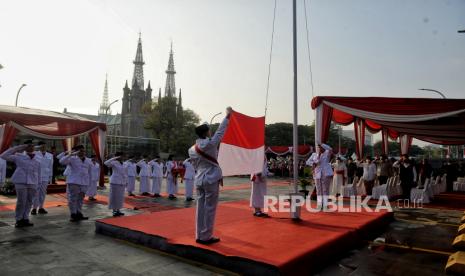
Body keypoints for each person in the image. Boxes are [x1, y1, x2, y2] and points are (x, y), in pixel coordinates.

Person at [188, 107, 231, 244]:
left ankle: (199, 235)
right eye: (208, 130)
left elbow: (195, 165)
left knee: (200, 208)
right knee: (210, 208)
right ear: (206, 132)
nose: (210, 131)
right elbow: (220, 131)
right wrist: (228, 116)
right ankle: (206, 236)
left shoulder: (191, 149)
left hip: (199, 179)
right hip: (210, 179)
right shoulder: (211, 144)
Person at [0, 140, 40, 227]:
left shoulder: (38, 157)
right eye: (28, 145)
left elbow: (39, 172)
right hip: (21, 181)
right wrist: (18, 147)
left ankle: (25, 218)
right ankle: (18, 219)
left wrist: (38, 183)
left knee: (29, 201)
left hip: (33, 182)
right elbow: (3, 156)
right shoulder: (19, 156)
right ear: (25, 146)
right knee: (21, 201)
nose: (31, 147)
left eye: (32, 145)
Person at [59, 145, 92, 222]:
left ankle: (79, 213)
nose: (82, 152)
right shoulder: (72, 159)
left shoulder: (88, 160)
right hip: (74, 181)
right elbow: (61, 161)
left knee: (80, 199)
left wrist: (89, 182)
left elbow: (89, 172)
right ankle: (73, 214)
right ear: (76, 151)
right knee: (73, 198)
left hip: (84, 182)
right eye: (80, 151)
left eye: (83, 151)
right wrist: (71, 154)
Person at [306, 143, 333, 210]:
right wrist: (313, 163)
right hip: (317, 173)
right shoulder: (314, 154)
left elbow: (330, 148)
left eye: (321, 147)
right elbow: (307, 162)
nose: (320, 148)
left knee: (325, 190)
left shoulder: (327, 153)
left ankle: (325, 205)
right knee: (318, 190)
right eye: (318, 147)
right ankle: (319, 205)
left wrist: (322, 144)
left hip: (326, 173)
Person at [31, 141, 53, 215]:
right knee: (35, 192)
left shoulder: (50, 155)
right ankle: (34, 208)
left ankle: (41, 207)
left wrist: (50, 177)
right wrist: (36, 148)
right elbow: (26, 153)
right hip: (36, 176)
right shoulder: (35, 153)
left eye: (45, 146)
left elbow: (50, 167)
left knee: (43, 193)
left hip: (45, 176)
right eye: (42, 146)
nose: (43, 147)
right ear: (39, 147)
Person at [104, 152, 127, 217]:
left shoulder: (124, 163)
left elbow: (125, 173)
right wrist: (115, 158)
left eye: (123, 156)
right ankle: (114, 210)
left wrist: (126, 181)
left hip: (122, 182)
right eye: (122, 156)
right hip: (115, 181)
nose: (123, 157)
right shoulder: (114, 162)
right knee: (114, 196)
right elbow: (106, 163)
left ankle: (118, 210)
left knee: (120, 197)